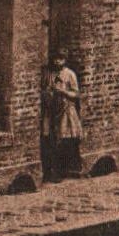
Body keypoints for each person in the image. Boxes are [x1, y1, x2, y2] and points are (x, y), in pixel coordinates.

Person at [45, 48, 82, 179]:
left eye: (60, 59)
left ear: (64, 60)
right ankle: (53, 170)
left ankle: (64, 170)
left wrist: (64, 92)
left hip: (66, 110)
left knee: (64, 139)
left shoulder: (69, 74)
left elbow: (76, 93)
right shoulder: (50, 74)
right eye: (55, 59)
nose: (57, 61)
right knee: (53, 139)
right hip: (53, 109)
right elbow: (47, 88)